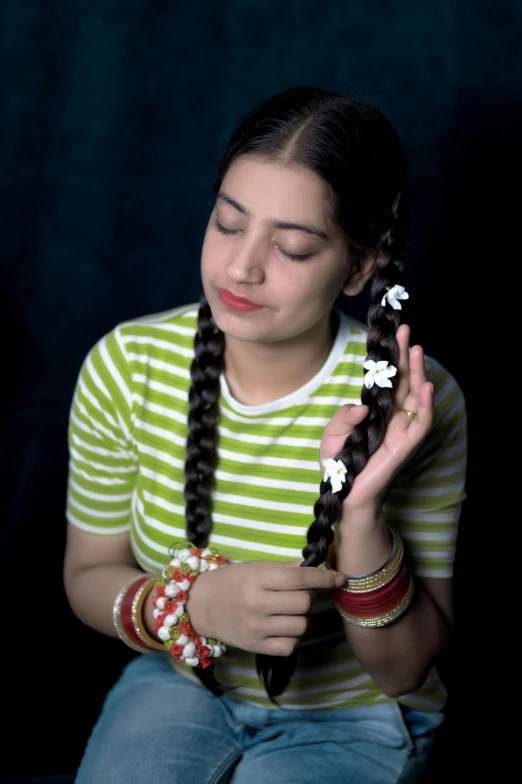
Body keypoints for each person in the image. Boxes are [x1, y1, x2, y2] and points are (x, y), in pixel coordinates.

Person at [63, 85, 467, 784]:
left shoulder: (415, 398)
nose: (242, 267)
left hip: (358, 712)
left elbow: (403, 669)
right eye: (227, 224)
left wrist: (362, 508)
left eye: (292, 246)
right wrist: (184, 607)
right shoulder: (127, 367)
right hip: (181, 683)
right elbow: (87, 573)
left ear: (360, 266)